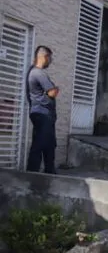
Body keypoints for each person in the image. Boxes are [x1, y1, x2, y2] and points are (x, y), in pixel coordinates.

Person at [26, 45, 59, 174]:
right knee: (39, 144)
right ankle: (31, 175)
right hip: (42, 114)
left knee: (49, 145)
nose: (50, 61)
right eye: (50, 58)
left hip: (43, 114)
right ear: (45, 57)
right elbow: (52, 92)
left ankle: (50, 173)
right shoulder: (38, 73)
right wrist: (55, 89)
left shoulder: (32, 72)